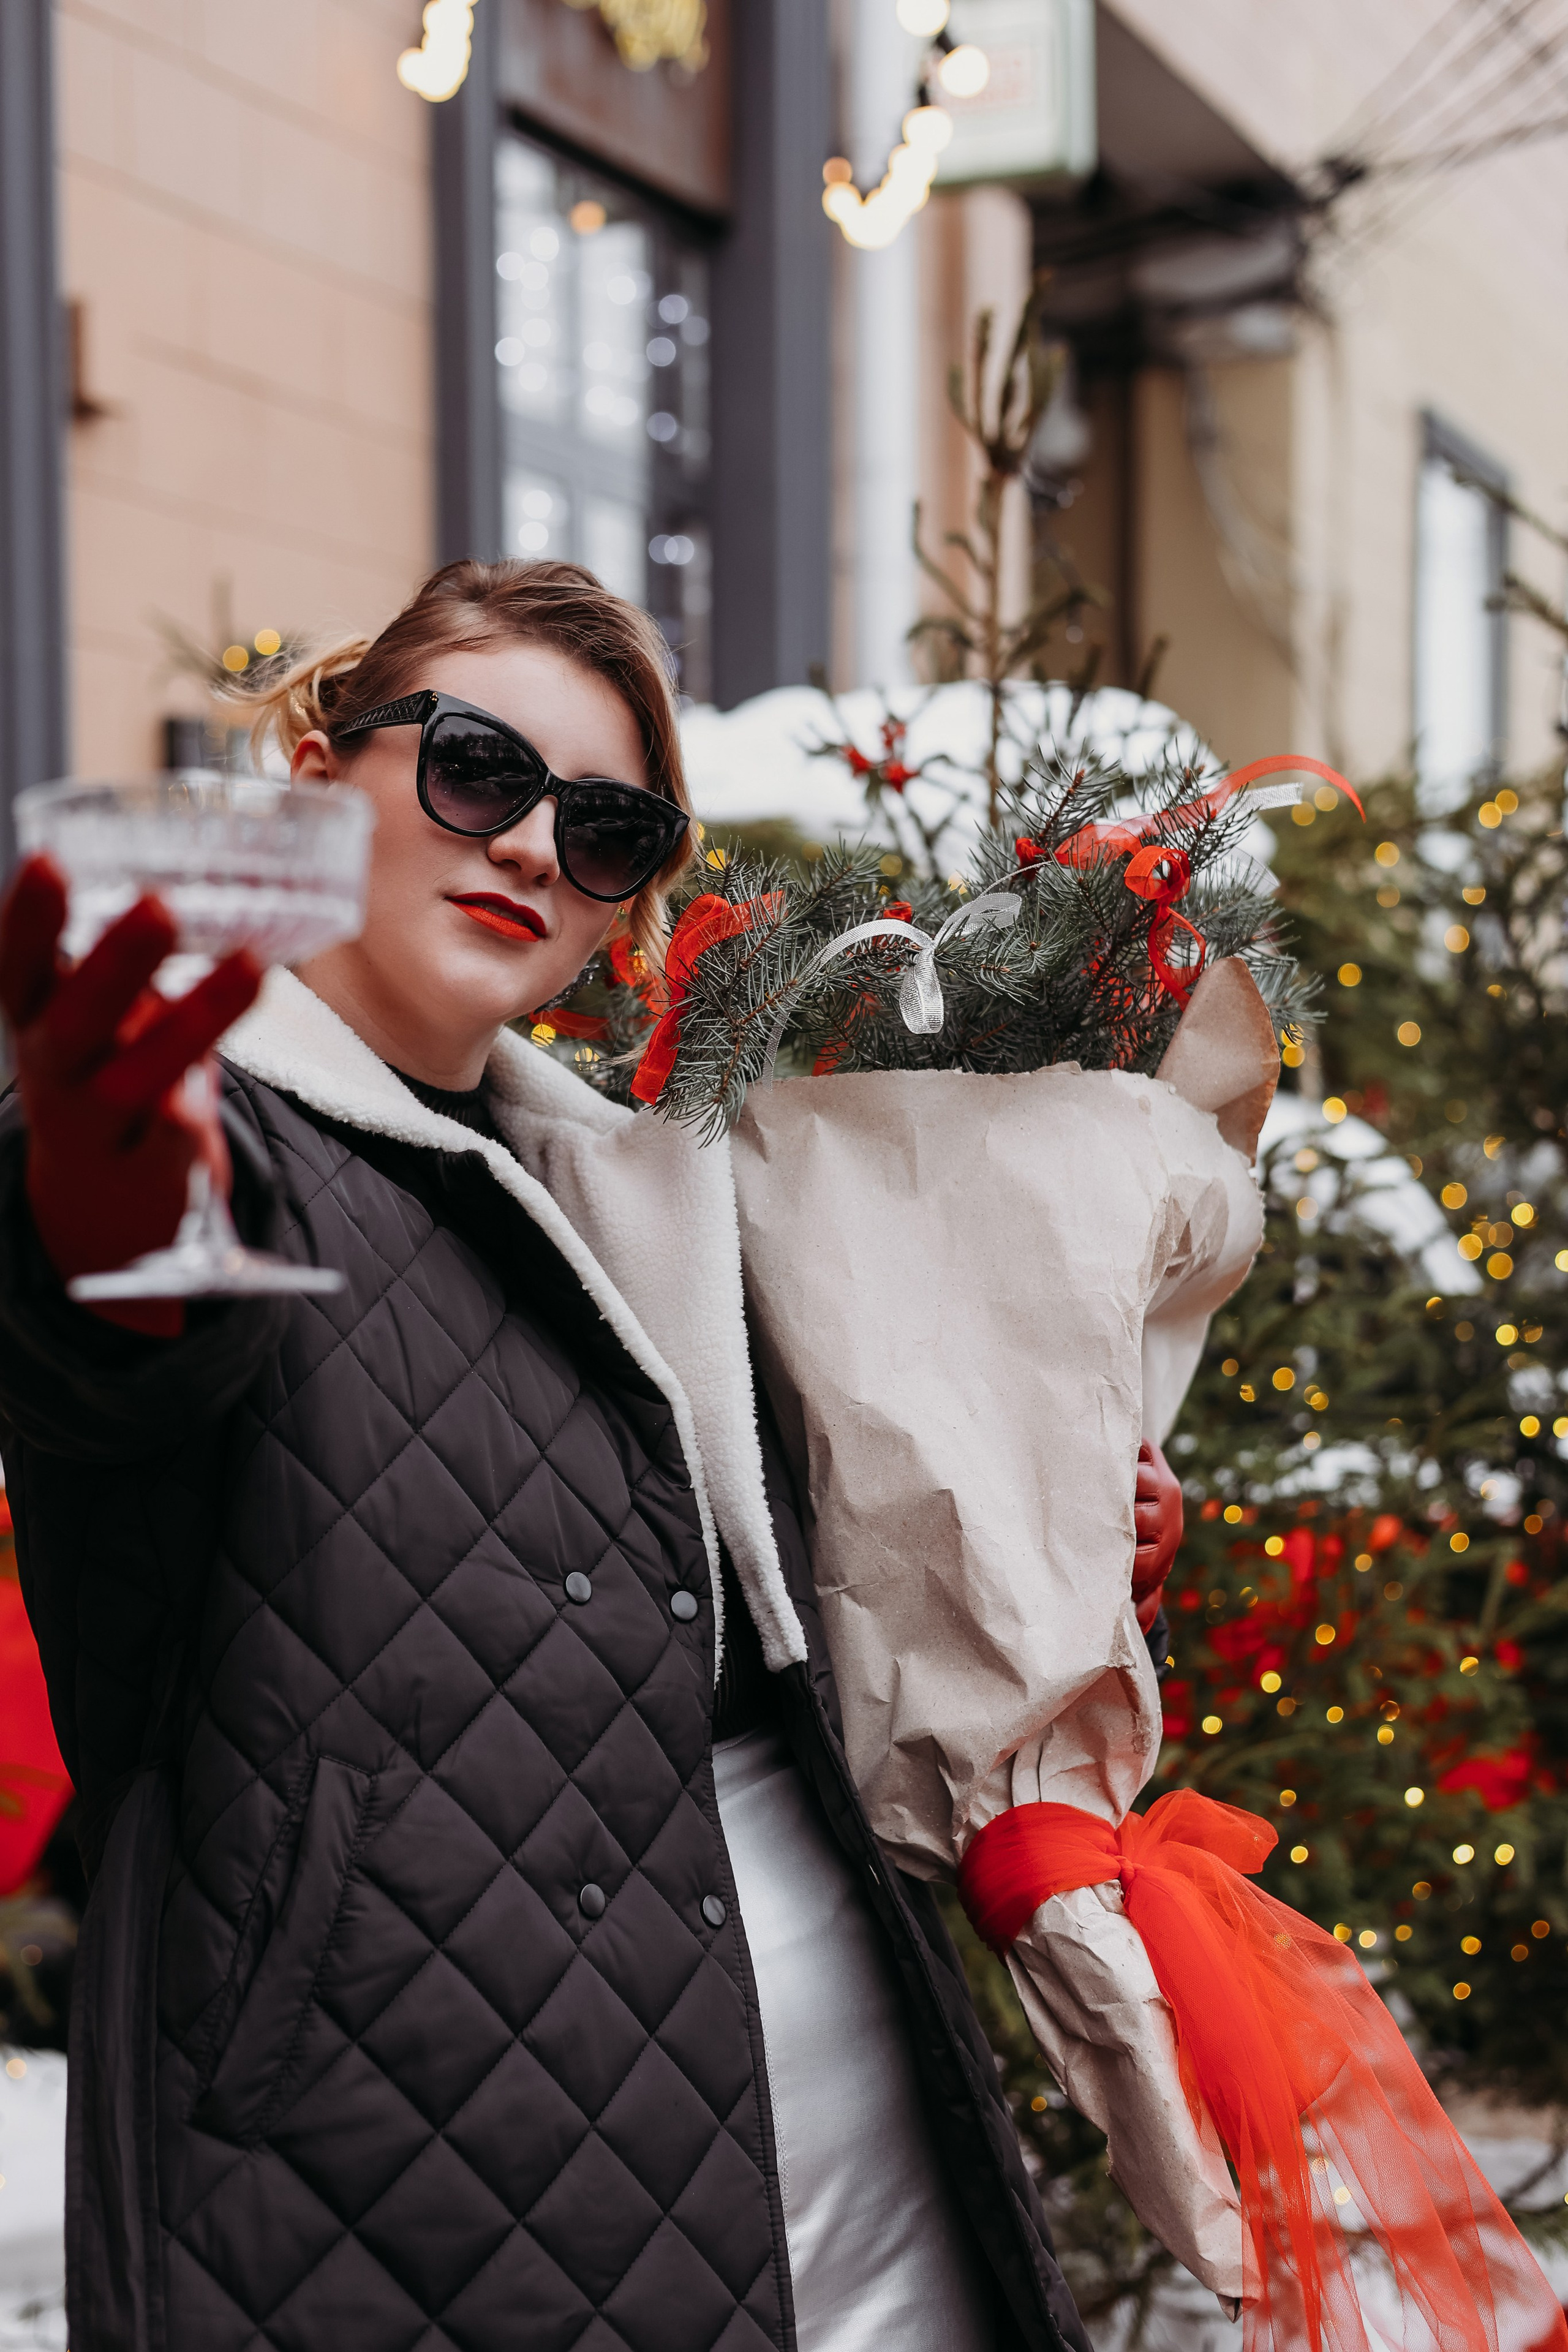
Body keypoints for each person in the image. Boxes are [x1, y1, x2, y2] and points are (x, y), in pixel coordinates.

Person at [0, 558, 1182, 2352]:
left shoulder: (648, 1197)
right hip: (413, 2182)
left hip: (839, 2116)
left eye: (610, 826)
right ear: (324, 773)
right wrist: (101, 1208)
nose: (535, 846)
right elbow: (117, 1351)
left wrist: (1049, 1533)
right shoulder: (204, 1140)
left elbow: (784, 1620)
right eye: (477, 769)